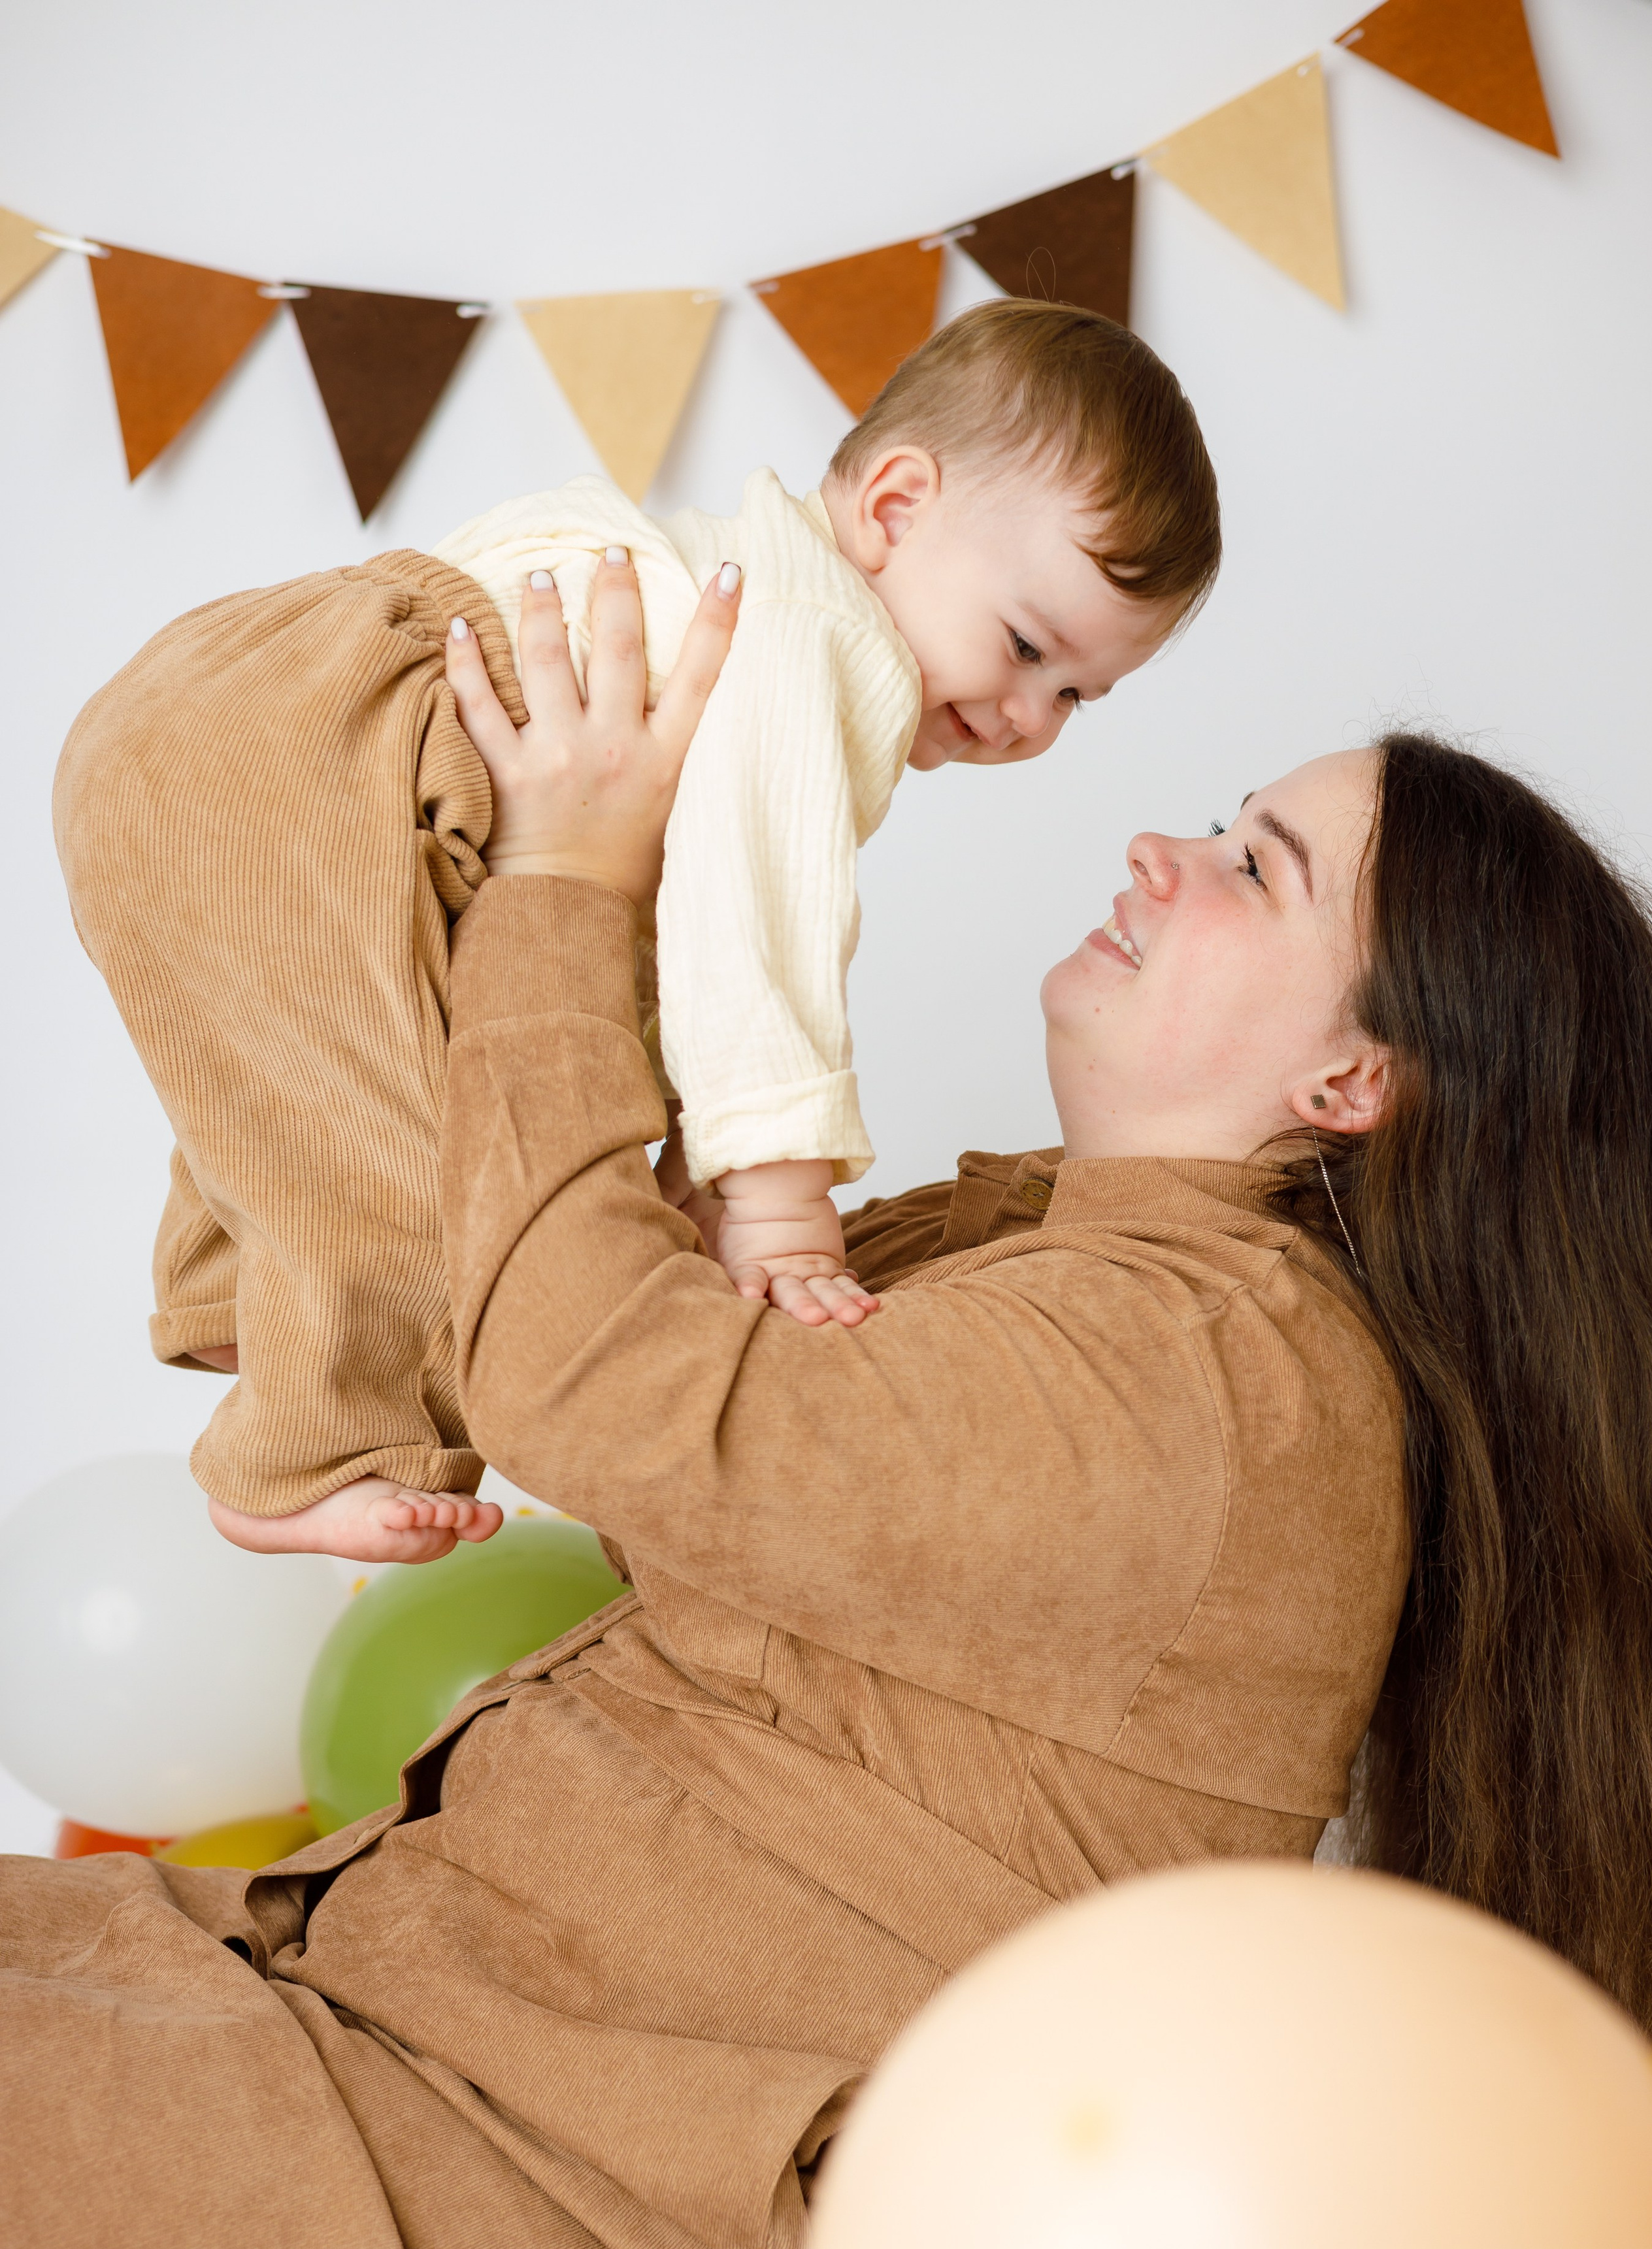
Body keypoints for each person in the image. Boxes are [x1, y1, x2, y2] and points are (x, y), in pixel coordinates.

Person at [5, 563, 1652, 2249]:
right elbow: (534, 1282)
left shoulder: (1215, 1376)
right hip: (383, 2039)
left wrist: (572, 869)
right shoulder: (1068, 1260)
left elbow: (602, 1374)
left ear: (1352, 1081)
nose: (1159, 848)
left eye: (1256, 866)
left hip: (536, 2237)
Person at [50, 300, 1218, 1566]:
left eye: (1074, 698)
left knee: (301, 1075)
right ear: (891, 508)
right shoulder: (816, 637)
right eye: (1025, 646)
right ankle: (304, 1456)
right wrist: (774, 1208)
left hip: (220, 693)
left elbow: (638, 948)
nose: (1026, 718)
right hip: (315, 749)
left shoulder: (708, 564)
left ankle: (241, 1311)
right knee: (435, 1151)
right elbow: (750, 923)